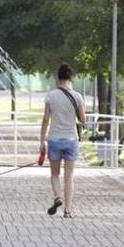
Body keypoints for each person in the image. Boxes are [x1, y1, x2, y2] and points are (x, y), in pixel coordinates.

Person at [39, 63, 85, 218]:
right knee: (69, 176)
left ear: (58, 77)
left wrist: (41, 140)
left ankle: (57, 197)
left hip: (54, 140)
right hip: (71, 139)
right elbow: (83, 119)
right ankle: (68, 210)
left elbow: (46, 119)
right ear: (71, 77)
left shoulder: (51, 96)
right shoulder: (78, 96)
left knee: (54, 174)